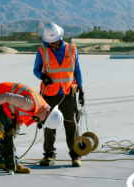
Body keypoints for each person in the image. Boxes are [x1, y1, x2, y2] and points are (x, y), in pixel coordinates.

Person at [0, 82, 63, 174]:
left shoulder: (41, 109)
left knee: (12, 132)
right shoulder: (30, 104)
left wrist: (15, 128)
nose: (39, 122)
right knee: (6, 131)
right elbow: (6, 96)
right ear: (47, 114)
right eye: (43, 121)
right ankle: (14, 162)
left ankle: (0, 159)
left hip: (7, 102)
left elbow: (24, 116)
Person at [33, 23, 85, 167]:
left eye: (53, 42)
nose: (51, 44)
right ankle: (49, 155)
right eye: (49, 42)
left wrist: (81, 89)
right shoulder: (43, 50)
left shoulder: (71, 49)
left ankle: (76, 155)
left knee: (71, 124)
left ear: (60, 37)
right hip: (50, 94)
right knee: (49, 125)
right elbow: (36, 69)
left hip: (68, 93)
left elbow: (77, 70)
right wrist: (42, 76)